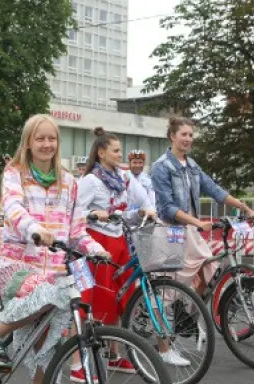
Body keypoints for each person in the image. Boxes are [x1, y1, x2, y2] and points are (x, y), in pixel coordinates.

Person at [0, 114, 108, 384]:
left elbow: (77, 231)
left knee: (45, 351)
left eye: (52, 139)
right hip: (16, 265)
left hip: (54, 273)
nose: (47, 144)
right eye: (40, 139)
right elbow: (14, 209)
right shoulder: (14, 174)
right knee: (46, 293)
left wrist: (96, 248)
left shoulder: (71, 182)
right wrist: (35, 231)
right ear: (28, 142)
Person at [77, 128, 187, 369]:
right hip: (98, 243)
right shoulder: (90, 181)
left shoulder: (124, 177)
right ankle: (84, 357)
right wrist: (94, 214)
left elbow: (144, 200)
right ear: (101, 152)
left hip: (120, 241)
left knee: (123, 299)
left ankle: (114, 355)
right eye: (116, 151)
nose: (120, 155)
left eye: (120, 150)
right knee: (101, 299)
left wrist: (147, 212)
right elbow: (74, 214)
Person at [151, 117, 254, 296]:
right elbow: (167, 207)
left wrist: (245, 208)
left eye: (191, 135)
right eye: (183, 134)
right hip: (171, 232)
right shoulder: (161, 166)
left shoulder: (192, 166)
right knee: (170, 289)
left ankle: (189, 318)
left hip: (191, 230)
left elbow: (215, 190)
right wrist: (198, 223)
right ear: (172, 136)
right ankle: (172, 317)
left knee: (209, 273)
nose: (188, 139)